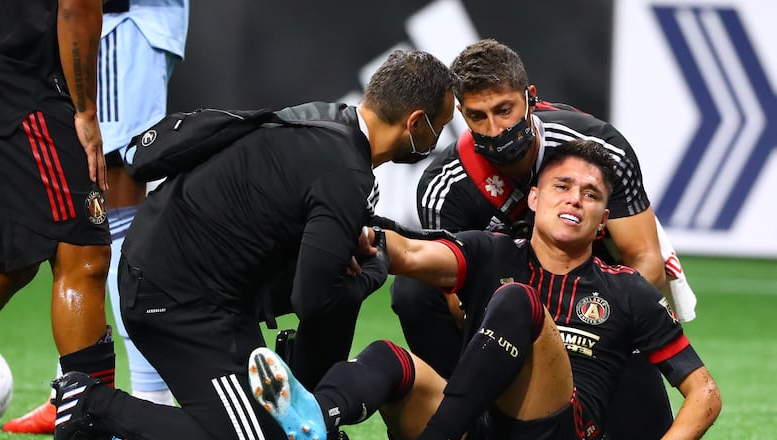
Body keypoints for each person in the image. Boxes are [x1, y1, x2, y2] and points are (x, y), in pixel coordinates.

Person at [47, 48, 458, 440]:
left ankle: (308, 399)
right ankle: (90, 402)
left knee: (285, 419)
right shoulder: (346, 172)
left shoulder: (326, 124)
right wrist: (374, 273)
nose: (438, 138)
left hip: (197, 287)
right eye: (440, 126)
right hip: (176, 300)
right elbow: (313, 299)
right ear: (416, 122)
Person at [252, 139, 722, 440]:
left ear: (603, 220)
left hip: (559, 430)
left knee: (517, 300)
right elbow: (411, 254)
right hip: (477, 424)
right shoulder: (492, 251)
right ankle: (317, 417)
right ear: (535, 198)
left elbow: (704, 393)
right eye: (562, 186)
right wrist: (347, 233)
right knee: (388, 359)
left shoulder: (627, 290)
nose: (575, 198)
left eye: (591, 194)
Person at [390, 38, 676, 438]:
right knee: (412, 292)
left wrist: (589, 327)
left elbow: (646, 257)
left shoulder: (597, 150)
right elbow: (455, 299)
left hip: (600, 308)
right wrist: (528, 335)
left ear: (529, 98)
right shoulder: (444, 186)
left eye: (505, 110)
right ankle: (475, 420)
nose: (495, 128)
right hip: (505, 317)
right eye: (478, 116)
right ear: (461, 113)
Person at [2, 1, 190, 433]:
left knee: (115, 202)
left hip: (120, 23)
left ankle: (149, 399)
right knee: (74, 217)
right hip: (79, 29)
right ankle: (71, 391)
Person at [0, 0, 116, 425]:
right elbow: (76, 5)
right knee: (84, 254)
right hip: (22, 81)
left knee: (8, 258)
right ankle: (91, 421)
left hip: (3, 70)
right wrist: (86, 112)